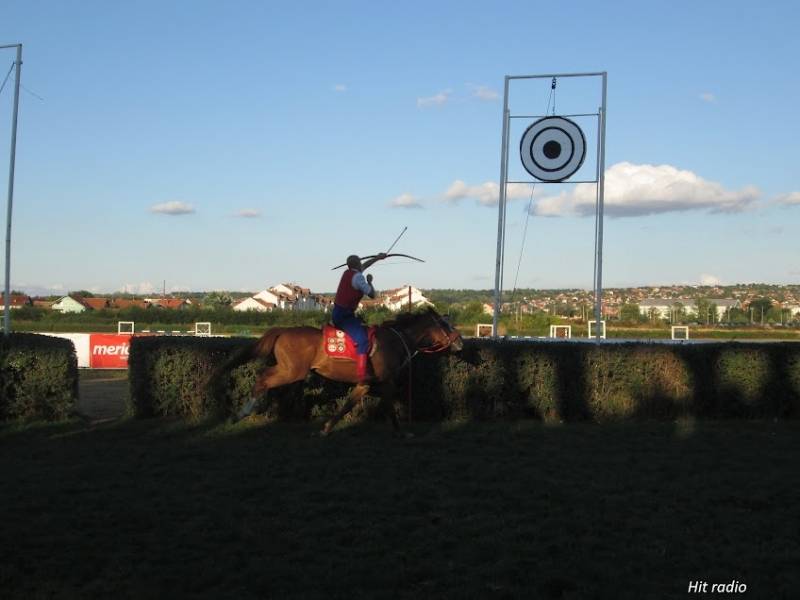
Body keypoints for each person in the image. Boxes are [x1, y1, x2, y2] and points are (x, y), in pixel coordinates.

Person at [332, 253, 386, 382]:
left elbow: (364, 265)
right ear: (357, 264)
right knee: (362, 340)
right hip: (345, 316)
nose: (362, 264)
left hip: (339, 313)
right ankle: (362, 375)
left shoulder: (348, 273)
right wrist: (370, 282)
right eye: (360, 262)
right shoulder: (358, 278)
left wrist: (377, 258)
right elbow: (372, 295)